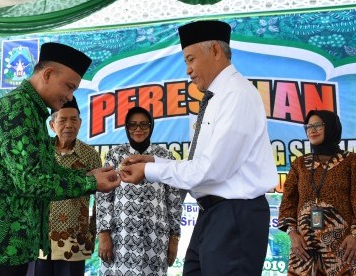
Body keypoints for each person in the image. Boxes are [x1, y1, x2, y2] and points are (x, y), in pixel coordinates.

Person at [119, 20, 278, 275]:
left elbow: (211, 169)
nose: (188, 70)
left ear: (215, 51)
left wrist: (149, 171)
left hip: (235, 215)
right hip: (213, 214)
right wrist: (153, 162)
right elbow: (199, 165)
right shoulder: (216, 97)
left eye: (190, 59)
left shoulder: (236, 94)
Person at [0, 42, 121, 276]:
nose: (69, 96)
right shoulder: (17, 110)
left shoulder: (32, 112)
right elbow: (31, 181)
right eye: (69, 87)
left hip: (10, 244)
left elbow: (47, 170)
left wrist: (89, 176)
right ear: (48, 74)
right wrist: (89, 183)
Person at [96, 106, 182, 275]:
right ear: (126, 128)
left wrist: (174, 238)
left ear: (151, 126)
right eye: (133, 125)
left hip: (155, 237)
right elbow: (104, 197)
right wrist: (104, 233)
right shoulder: (115, 155)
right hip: (121, 238)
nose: (138, 129)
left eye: (144, 124)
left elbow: (173, 201)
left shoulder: (164, 157)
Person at [27, 97, 102, 275]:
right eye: (62, 120)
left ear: (80, 122)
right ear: (52, 125)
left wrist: (92, 232)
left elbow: (101, 198)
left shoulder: (90, 155)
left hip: (75, 244)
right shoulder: (40, 152)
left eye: (73, 119)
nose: (69, 125)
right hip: (38, 241)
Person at [278, 110, 356, 275]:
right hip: (304, 251)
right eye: (308, 126)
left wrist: (355, 235)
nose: (311, 130)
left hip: (342, 249)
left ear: (332, 128)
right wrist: (292, 234)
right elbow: (288, 202)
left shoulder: (351, 161)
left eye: (318, 125)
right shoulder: (299, 163)